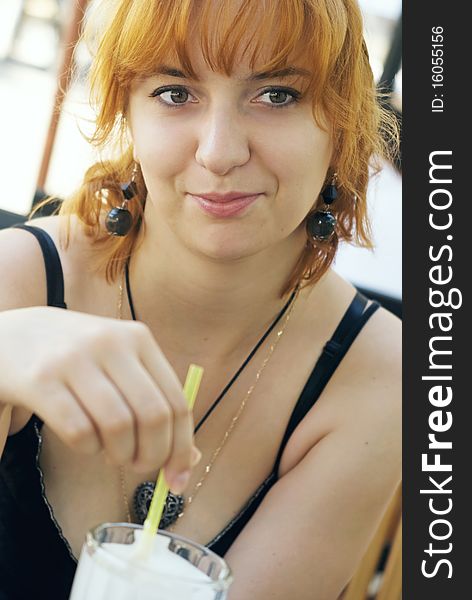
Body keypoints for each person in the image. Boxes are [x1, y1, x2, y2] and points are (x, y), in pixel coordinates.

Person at [0, 0, 401, 598]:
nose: (219, 152)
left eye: (277, 95)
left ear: (342, 124)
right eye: (174, 92)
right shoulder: (21, 280)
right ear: (126, 114)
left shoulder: (376, 375)